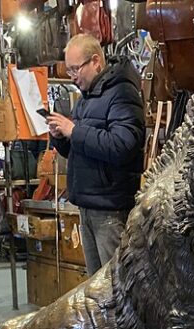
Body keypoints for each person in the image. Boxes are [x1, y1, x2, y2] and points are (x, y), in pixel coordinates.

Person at [47, 34, 145, 276]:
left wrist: (75, 130)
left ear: (96, 62)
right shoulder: (87, 98)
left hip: (110, 208)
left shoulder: (123, 93)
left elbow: (123, 145)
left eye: (75, 69)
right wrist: (61, 137)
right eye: (68, 70)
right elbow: (79, 150)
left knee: (116, 286)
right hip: (88, 205)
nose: (72, 76)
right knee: (96, 287)